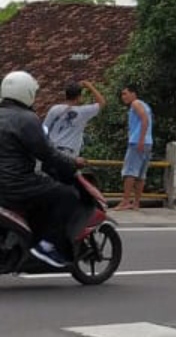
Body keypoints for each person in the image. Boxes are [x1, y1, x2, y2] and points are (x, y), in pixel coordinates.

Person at [0, 70, 86, 268]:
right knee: (68, 194)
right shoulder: (27, 119)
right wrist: (73, 163)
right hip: (17, 184)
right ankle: (47, 245)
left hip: (5, 186)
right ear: (27, 93)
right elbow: (48, 154)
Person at [43, 80, 106, 157]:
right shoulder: (83, 112)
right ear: (79, 97)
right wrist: (89, 86)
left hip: (52, 152)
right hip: (69, 153)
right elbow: (102, 102)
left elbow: (44, 129)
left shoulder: (54, 109)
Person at [115, 84, 152, 211]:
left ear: (133, 93)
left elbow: (144, 120)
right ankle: (136, 202)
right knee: (141, 174)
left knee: (129, 172)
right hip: (148, 142)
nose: (123, 97)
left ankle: (125, 201)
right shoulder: (145, 104)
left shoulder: (135, 104)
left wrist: (140, 139)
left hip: (137, 141)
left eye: (125, 93)